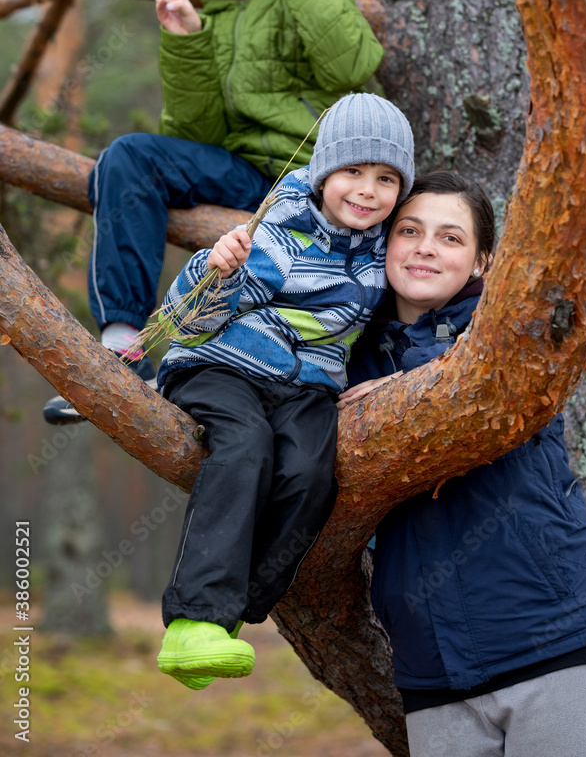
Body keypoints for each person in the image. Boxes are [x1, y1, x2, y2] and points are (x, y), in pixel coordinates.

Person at [43, 0, 384, 422]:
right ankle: (122, 346)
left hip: (324, 178)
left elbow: (352, 66)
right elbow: (195, 133)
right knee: (129, 157)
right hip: (248, 174)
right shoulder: (213, 24)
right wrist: (186, 40)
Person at [339, 171, 586, 757]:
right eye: (409, 230)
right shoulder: (344, 352)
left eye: (451, 238)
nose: (425, 246)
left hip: (553, 648)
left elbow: (463, 385)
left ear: (482, 263)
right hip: (433, 675)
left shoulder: (513, 339)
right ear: (386, 244)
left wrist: (399, 393)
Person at [155, 92, 414, 690]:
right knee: (246, 449)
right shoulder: (282, 233)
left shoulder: (385, 249)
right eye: (352, 171)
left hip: (304, 387)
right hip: (225, 365)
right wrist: (213, 271)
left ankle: (234, 613)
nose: (367, 191)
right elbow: (187, 323)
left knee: (309, 475)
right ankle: (194, 618)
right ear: (324, 172)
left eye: (384, 178)